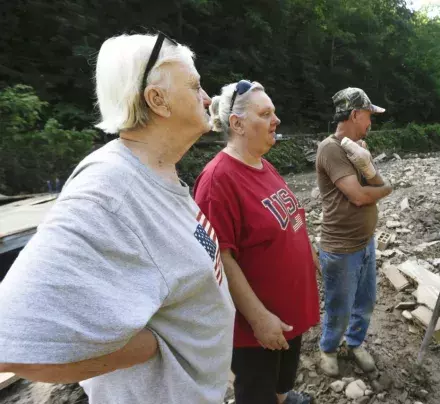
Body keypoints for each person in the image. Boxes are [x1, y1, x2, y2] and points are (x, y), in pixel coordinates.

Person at [0, 33, 235, 404]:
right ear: (157, 100)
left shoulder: (157, 173)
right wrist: (154, 347)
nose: (207, 99)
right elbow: (12, 343)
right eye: (195, 86)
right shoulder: (111, 189)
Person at [193, 80, 320, 404]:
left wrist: (309, 254)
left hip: (289, 313)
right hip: (255, 330)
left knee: (282, 382)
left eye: (274, 113)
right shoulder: (217, 179)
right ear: (237, 124)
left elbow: (286, 220)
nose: (276, 120)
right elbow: (220, 258)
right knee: (256, 393)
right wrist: (259, 319)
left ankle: (282, 398)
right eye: (265, 114)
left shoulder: (264, 164)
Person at [315, 87, 393, 377]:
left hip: (365, 243)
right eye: (369, 116)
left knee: (365, 299)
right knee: (340, 305)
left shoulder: (356, 149)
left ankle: (355, 342)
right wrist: (383, 189)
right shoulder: (331, 149)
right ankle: (328, 348)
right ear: (355, 114)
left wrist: (369, 167)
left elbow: (376, 185)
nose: (371, 123)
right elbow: (360, 196)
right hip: (341, 247)